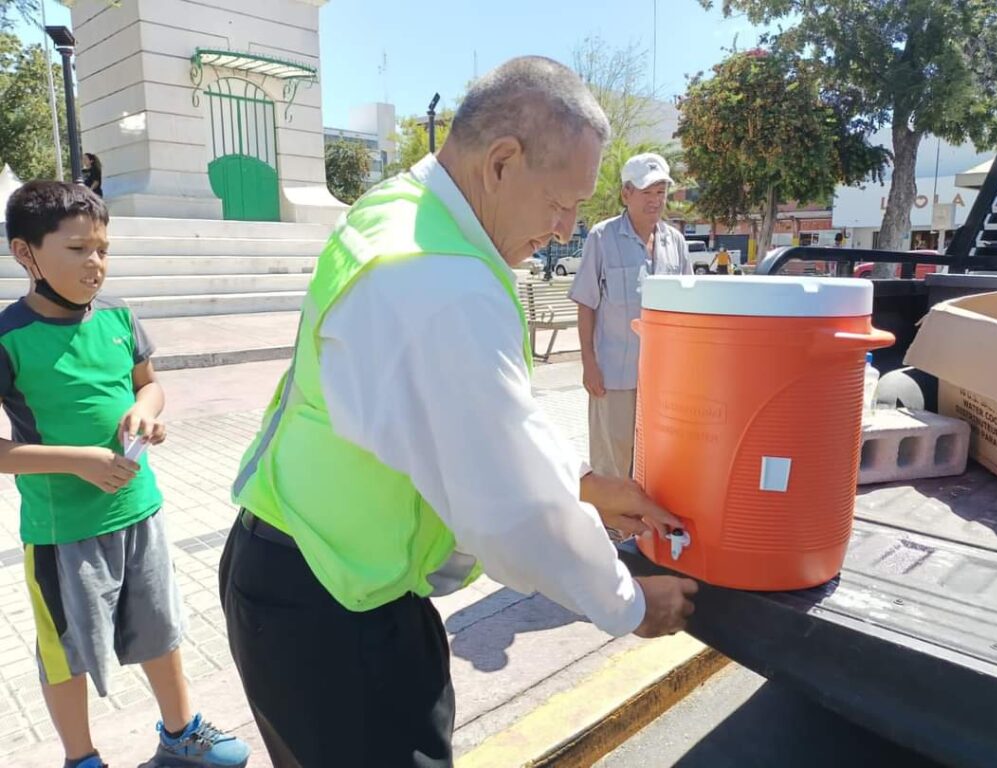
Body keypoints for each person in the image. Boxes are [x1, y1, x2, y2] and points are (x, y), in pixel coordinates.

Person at [219, 57, 698, 768]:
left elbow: (470, 422)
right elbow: (509, 509)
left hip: (314, 575)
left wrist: (588, 486)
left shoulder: (402, 213)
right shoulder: (437, 280)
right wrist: (628, 604)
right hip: (329, 608)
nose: (566, 229)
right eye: (562, 202)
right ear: (502, 162)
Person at [1, 182, 249, 768]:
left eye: (103, 249)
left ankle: (181, 733)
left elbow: (149, 384)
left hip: (140, 509)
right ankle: (81, 757)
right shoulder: (8, 337)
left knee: (161, 631)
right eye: (78, 249)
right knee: (65, 655)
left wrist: (148, 411)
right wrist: (77, 459)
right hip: (63, 530)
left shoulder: (119, 318)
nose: (95, 264)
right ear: (25, 253)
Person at [569, 152, 692, 481]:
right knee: (613, 459)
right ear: (626, 194)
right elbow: (586, 302)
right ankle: (609, 529)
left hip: (664, 379)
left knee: (656, 460)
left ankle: (644, 530)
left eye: (661, 192)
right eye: (647, 192)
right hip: (614, 375)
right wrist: (589, 363)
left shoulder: (676, 243)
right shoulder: (602, 237)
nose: (655, 201)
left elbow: (689, 307)